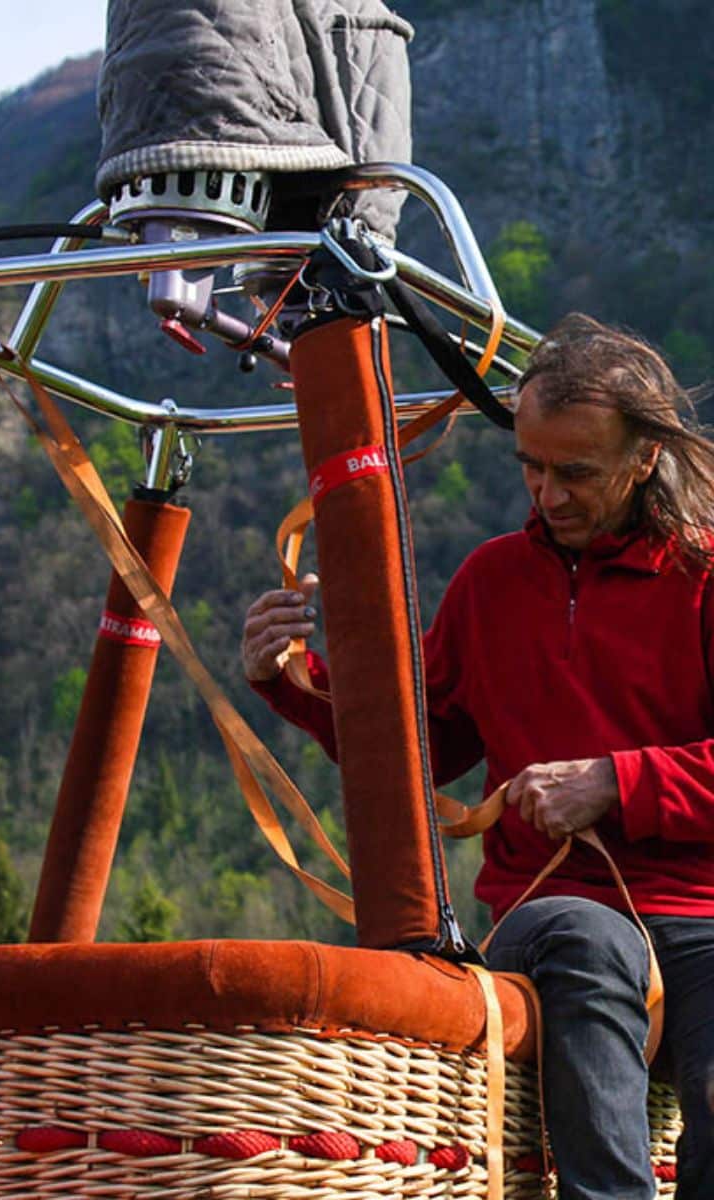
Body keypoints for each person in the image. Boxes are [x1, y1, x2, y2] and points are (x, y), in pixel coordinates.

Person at [242, 313, 714, 1200]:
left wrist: (616, 781)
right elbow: (421, 745)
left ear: (645, 459)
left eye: (575, 471)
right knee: (588, 940)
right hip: (551, 906)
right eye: (530, 467)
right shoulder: (491, 582)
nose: (548, 493)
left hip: (703, 914)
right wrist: (294, 680)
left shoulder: (705, 578)